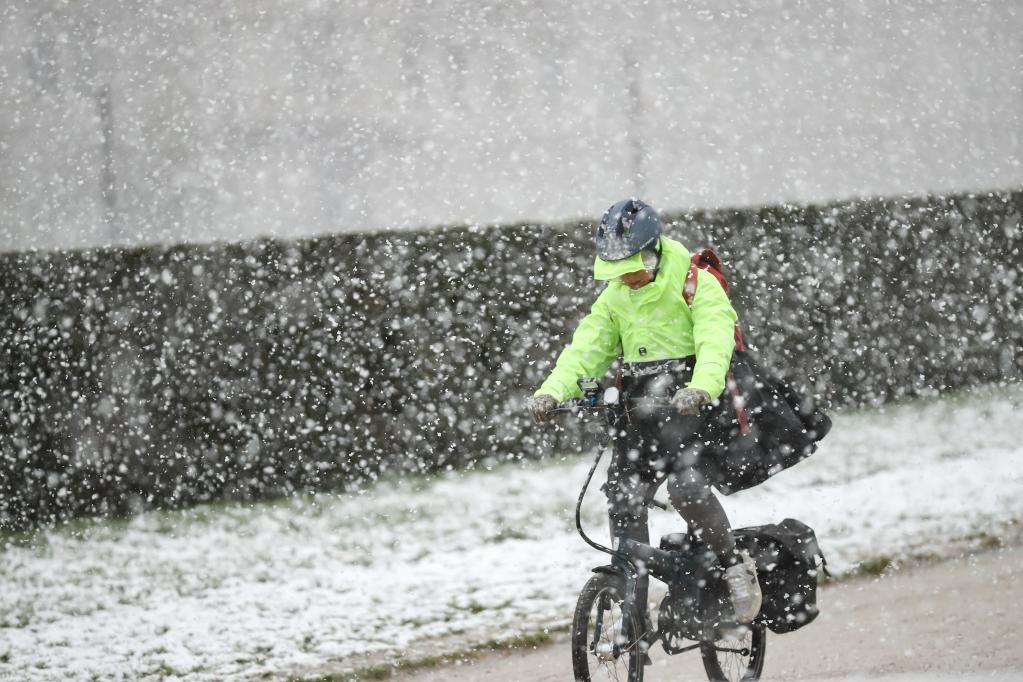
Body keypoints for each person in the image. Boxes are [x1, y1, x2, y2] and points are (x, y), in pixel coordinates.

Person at [526, 198, 762, 629]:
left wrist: (701, 388)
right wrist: (551, 391)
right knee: (622, 493)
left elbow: (715, 340)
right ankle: (630, 612)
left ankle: (733, 568)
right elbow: (586, 350)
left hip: (696, 408)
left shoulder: (696, 282)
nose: (625, 279)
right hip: (643, 409)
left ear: (652, 253)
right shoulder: (616, 296)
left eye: (630, 268)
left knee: (687, 487)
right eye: (615, 272)